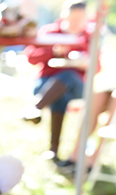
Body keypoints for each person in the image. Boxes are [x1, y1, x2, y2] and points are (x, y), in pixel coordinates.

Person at [21, 1, 94, 162]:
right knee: (60, 94)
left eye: (80, 19)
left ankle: (35, 108)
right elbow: (31, 56)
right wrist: (53, 52)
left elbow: (98, 66)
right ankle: (53, 150)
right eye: (73, 18)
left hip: (77, 86)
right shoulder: (50, 32)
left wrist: (87, 63)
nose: (76, 22)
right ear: (64, 16)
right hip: (45, 84)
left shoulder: (89, 37)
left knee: (68, 76)